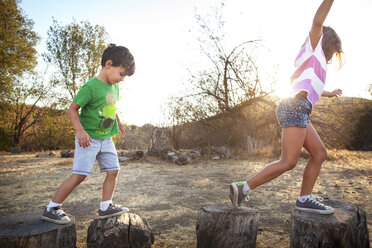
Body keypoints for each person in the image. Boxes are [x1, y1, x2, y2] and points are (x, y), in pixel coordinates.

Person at [230, 0, 344, 214]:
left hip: (300, 108)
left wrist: (330, 93)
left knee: (319, 153)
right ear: (326, 43)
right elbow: (318, 21)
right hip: (295, 107)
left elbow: (312, 87)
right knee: (288, 161)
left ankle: (304, 198)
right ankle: (243, 188)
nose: (331, 57)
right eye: (333, 51)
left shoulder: (316, 63)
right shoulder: (314, 45)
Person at [42, 44, 135, 224]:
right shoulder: (90, 87)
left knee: (113, 170)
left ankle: (106, 206)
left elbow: (111, 107)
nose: (122, 79)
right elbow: (72, 109)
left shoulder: (114, 87)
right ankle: (52, 207)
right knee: (80, 175)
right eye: (121, 74)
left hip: (106, 138)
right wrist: (81, 131)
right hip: (88, 139)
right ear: (109, 64)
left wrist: (119, 121)